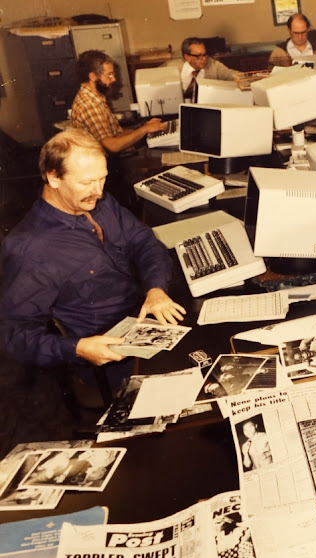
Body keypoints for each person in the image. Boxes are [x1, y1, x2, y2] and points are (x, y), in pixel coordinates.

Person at [0, 129, 185, 383]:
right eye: (86, 183)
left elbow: (143, 241)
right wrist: (76, 348)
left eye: (102, 179)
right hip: (107, 353)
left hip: (142, 312)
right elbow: (12, 333)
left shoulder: (101, 202)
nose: (98, 191)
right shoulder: (30, 248)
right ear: (53, 178)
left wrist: (156, 289)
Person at [70, 50, 167, 154]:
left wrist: (145, 128)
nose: (114, 79)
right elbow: (112, 146)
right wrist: (145, 130)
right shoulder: (90, 105)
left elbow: (115, 132)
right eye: (109, 75)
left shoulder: (95, 97)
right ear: (93, 77)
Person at [175, 37, 241, 99]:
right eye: (199, 56)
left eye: (204, 54)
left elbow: (231, 74)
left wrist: (247, 77)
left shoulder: (214, 65)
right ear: (187, 57)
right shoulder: (174, 68)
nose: (204, 59)